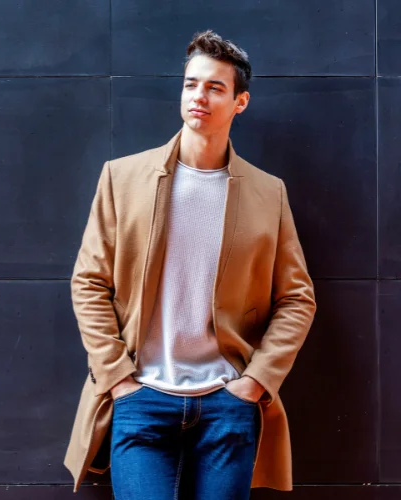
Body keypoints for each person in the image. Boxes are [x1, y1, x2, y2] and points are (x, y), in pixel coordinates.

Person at [63, 30, 317, 499]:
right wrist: (118, 378)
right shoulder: (123, 177)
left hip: (228, 402)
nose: (199, 96)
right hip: (141, 396)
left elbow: (298, 298)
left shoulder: (267, 192)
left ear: (240, 102)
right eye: (190, 84)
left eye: (215, 87)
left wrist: (256, 382)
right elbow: (89, 282)